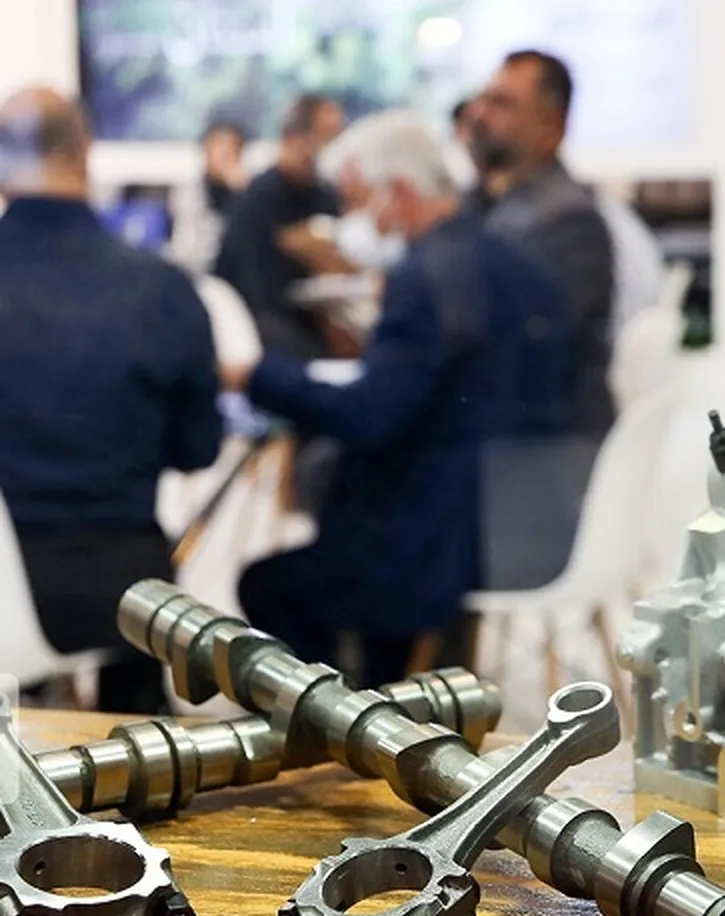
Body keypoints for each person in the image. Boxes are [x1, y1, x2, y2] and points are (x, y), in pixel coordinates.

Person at [223, 112, 572, 688]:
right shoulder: (519, 265)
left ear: (400, 192)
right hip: (523, 520)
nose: (353, 219)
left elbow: (368, 417)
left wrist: (259, 376)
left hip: (434, 543)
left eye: (358, 201)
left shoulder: (422, 278)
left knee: (269, 585)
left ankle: (341, 716)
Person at [0, 87, 222, 713]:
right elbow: (198, 448)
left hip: (2, 586)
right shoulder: (161, 289)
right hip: (123, 592)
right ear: (85, 151)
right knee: (139, 719)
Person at [467, 50, 615, 434]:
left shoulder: (569, 222)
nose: (478, 115)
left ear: (551, 125)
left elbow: (526, 347)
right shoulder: (483, 205)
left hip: (545, 442)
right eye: (482, 99)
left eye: (502, 104)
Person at [214, 93, 350, 360]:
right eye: (328, 136)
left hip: (317, 319)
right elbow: (256, 296)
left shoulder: (325, 197)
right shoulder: (256, 203)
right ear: (293, 139)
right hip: (261, 325)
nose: (335, 147)